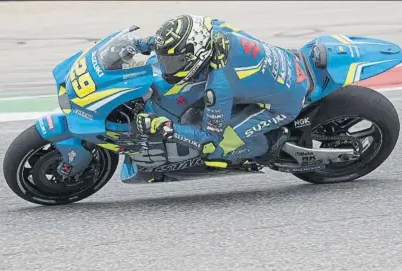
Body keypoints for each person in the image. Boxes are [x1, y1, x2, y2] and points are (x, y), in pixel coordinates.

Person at [131, 15, 310, 168]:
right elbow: (175, 43)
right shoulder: (210, 29)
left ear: (198, 56)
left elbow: (209, 138)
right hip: (286, 64)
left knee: (218, 149)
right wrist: (136, 44)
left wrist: (165, 127)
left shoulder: (219, 87)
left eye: (174, 62)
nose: (166, 67)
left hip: (285, 103)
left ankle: (269, 142)